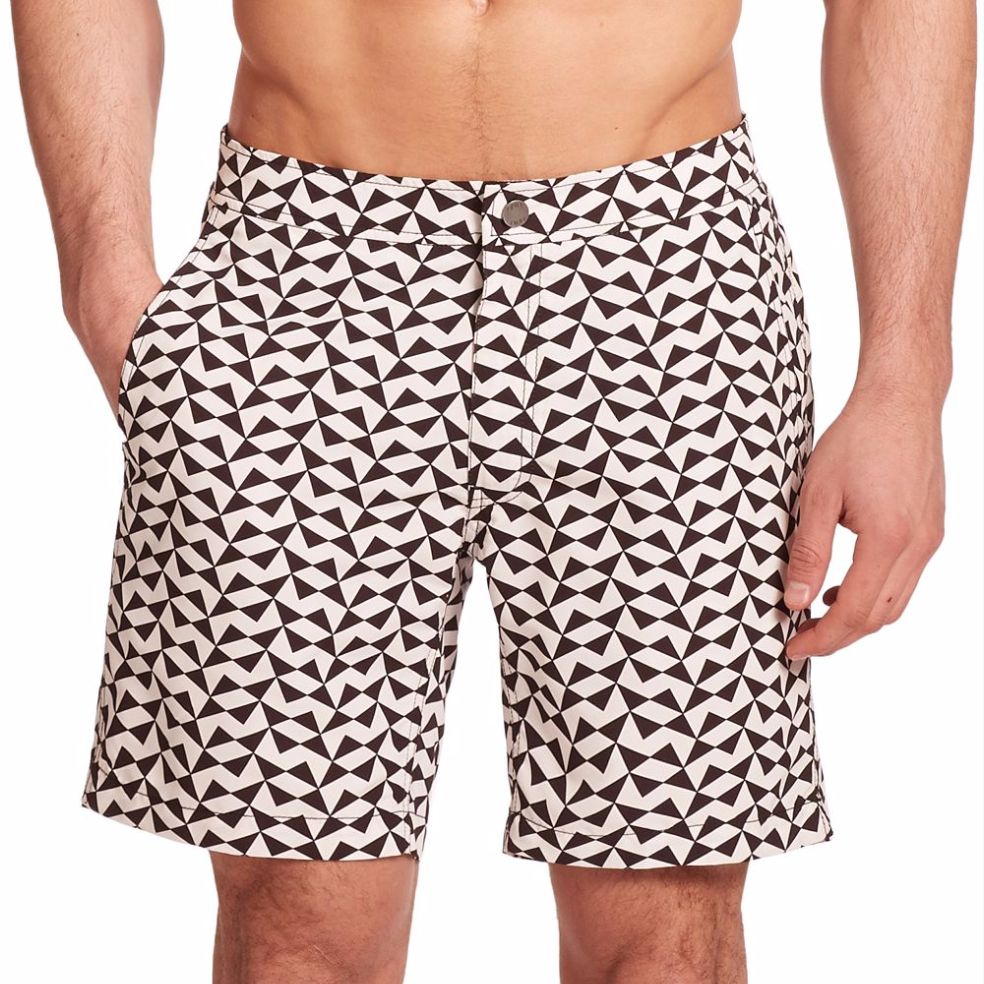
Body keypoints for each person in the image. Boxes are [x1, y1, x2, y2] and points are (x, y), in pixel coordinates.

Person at [11, 1, 974, 981]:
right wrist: (106, 282)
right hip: (301, 269)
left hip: (661, 270)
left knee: (665, 927)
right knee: (297, 928)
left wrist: (907, 377)